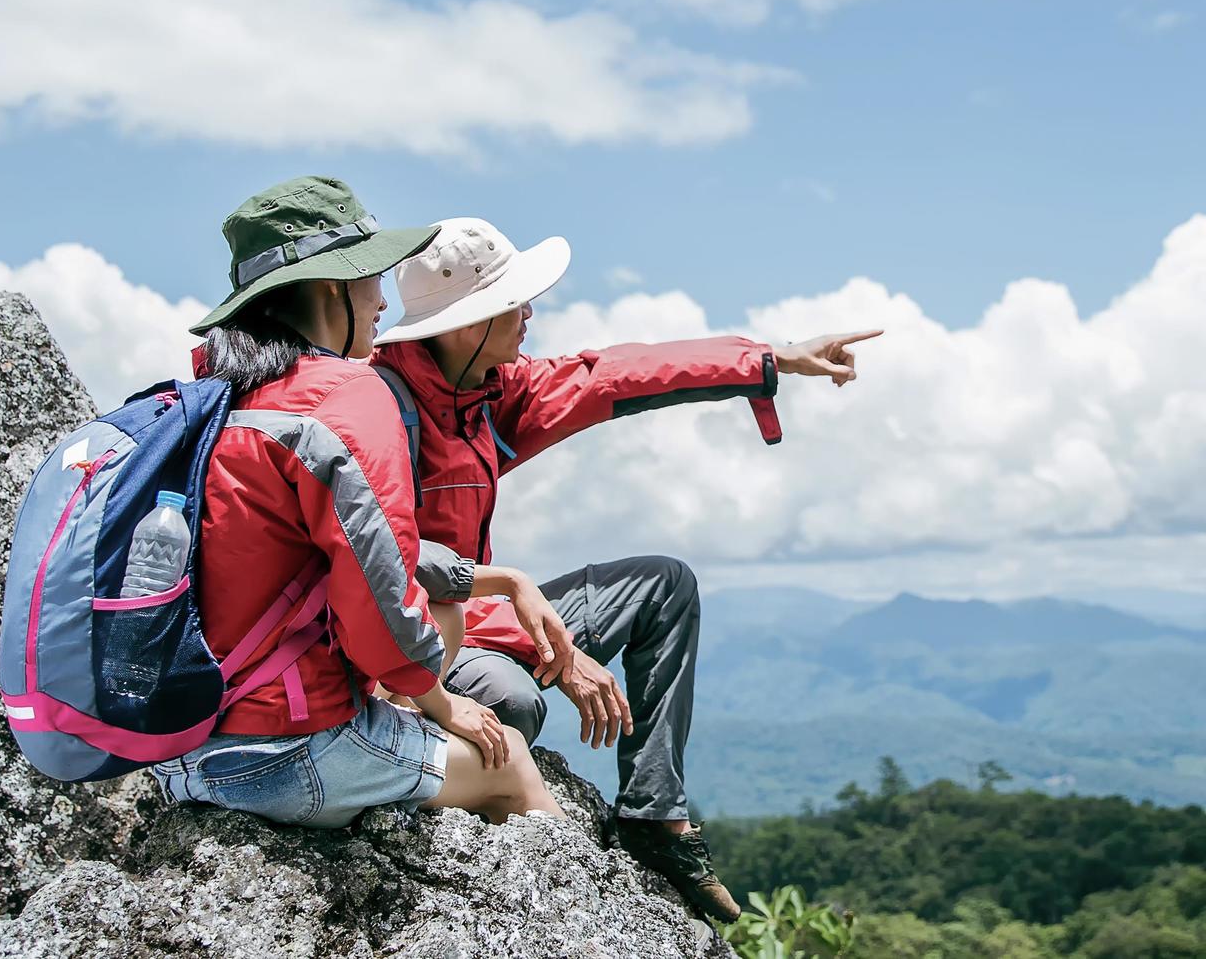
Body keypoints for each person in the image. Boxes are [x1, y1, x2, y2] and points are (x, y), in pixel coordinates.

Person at [370, 217, 879, 919]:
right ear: (467, 324)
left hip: (486, 615)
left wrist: (771, 359)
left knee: (663, 586)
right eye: (515, 304)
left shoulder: (489, 395)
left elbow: (614, 374)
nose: (529, 317)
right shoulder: (381, 413)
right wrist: (556, 647)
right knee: (515, 705)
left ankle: (653, 817)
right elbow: (388, 570)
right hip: (422, 638)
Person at [151, 177, 560, 828]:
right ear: (328, 288)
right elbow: (381, 605)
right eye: (371, 276)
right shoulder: (345, 394)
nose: (381, 300)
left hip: (175, 753)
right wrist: (442, 704)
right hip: (286, 755)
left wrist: (487, 579)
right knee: (510, 761)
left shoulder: (214, 399)